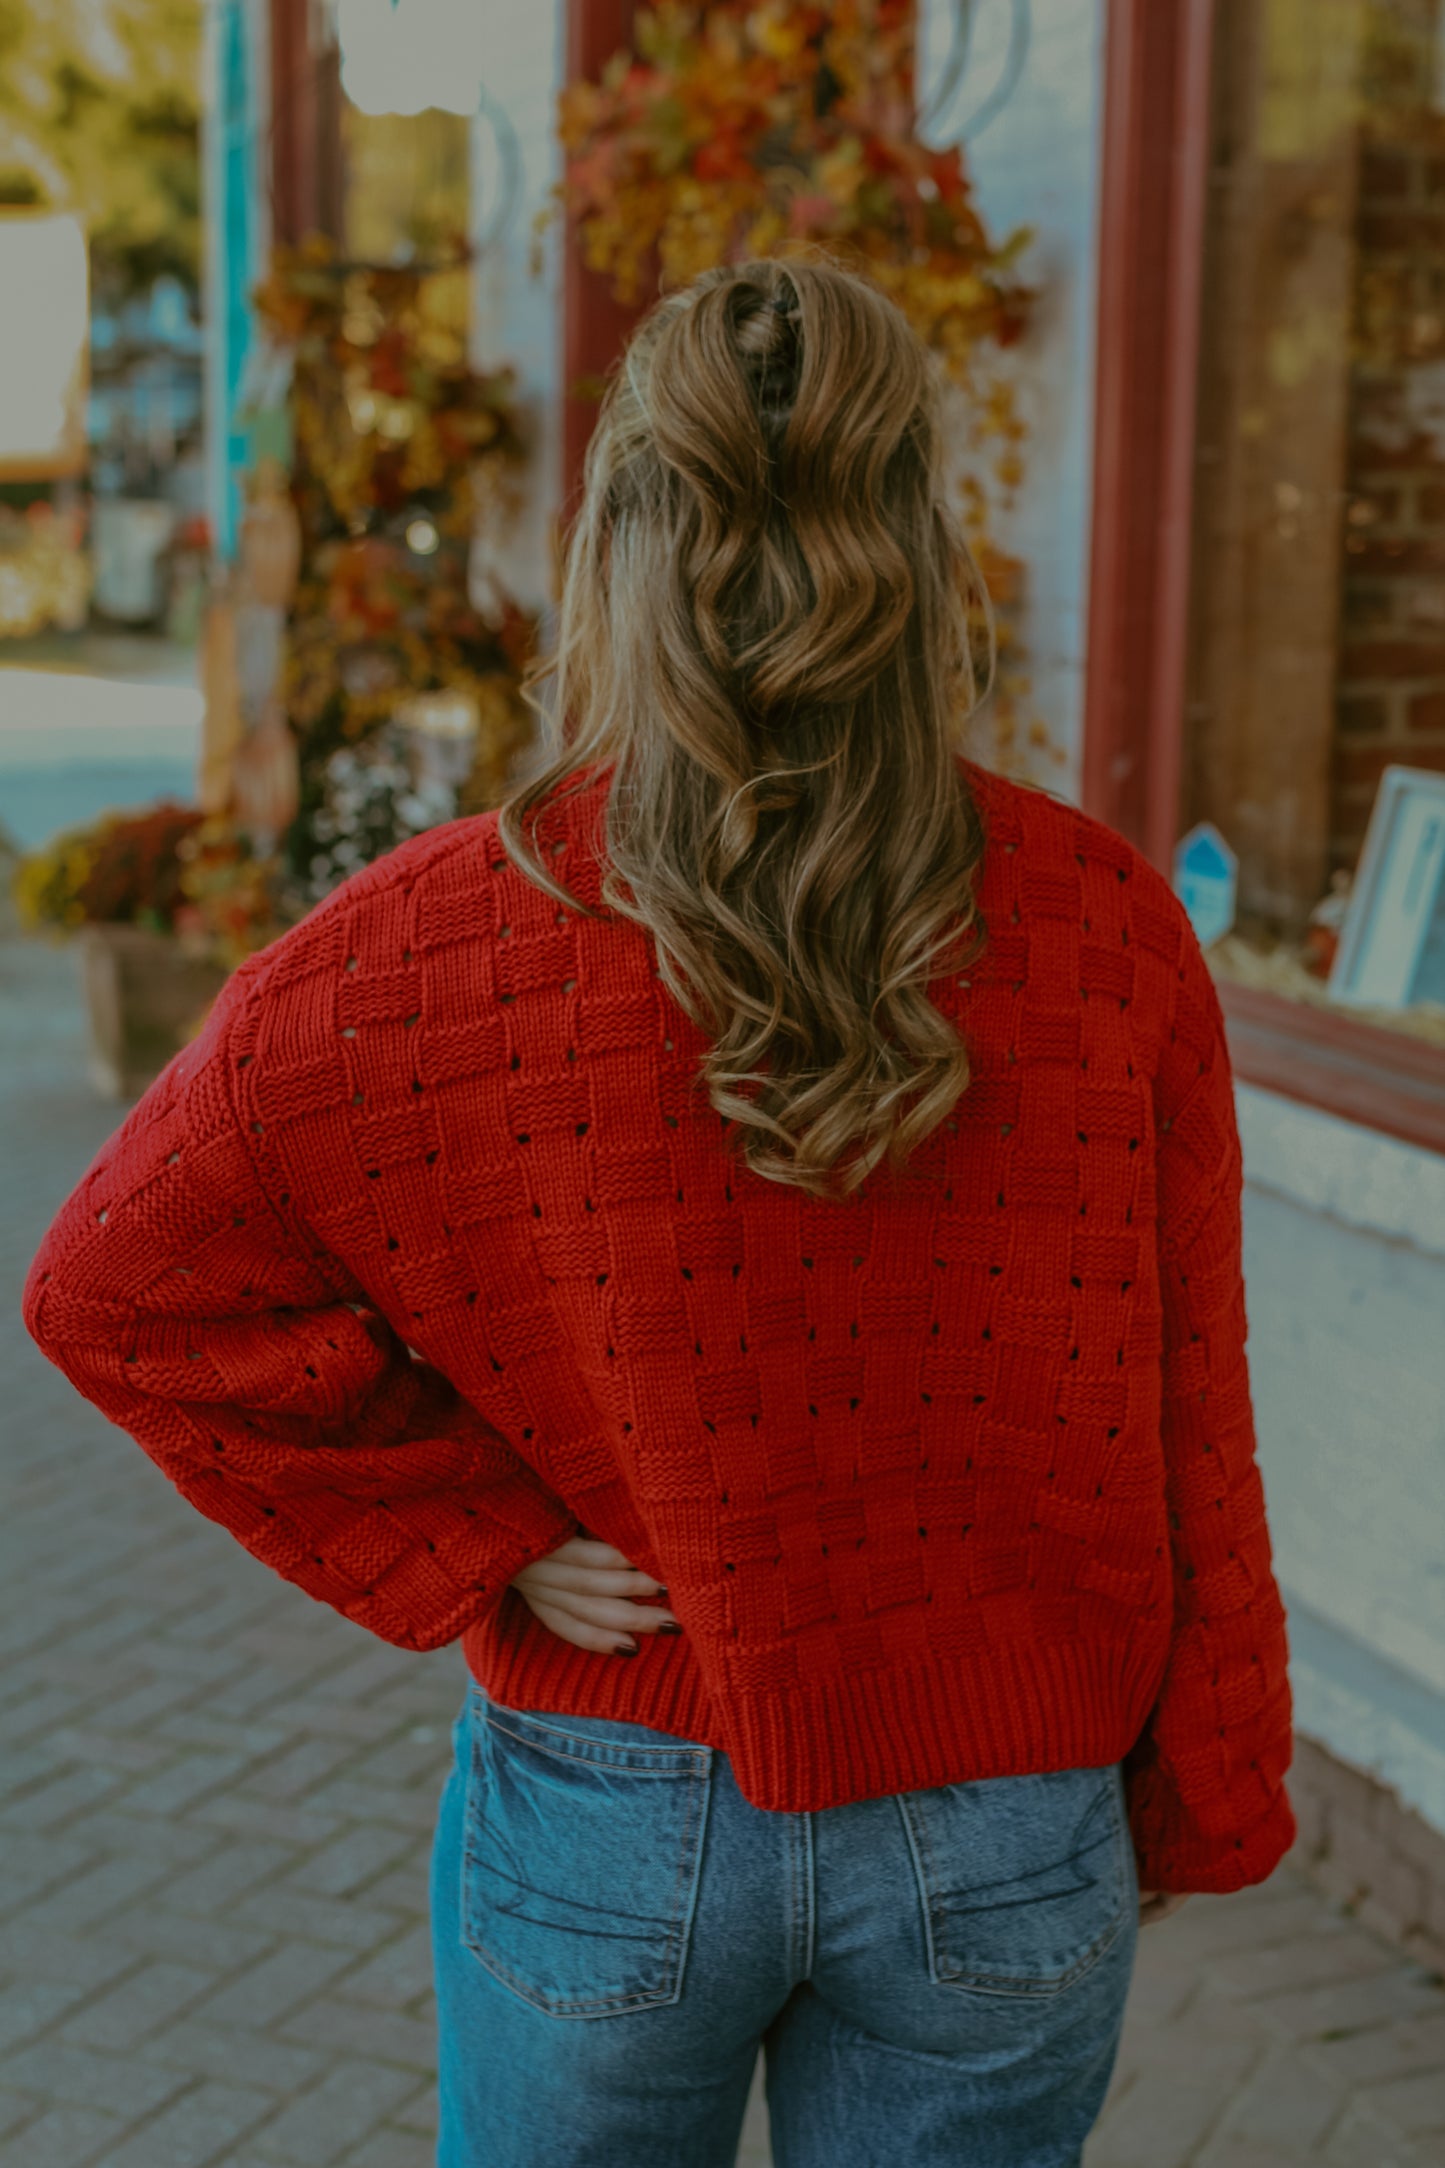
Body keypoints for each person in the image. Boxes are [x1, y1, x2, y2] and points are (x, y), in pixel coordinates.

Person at [23, 256, 1296, 2168]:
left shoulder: (429, 944)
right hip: (1005, 1814)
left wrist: (468, 1533)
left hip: (620, 1802)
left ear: (615, 540)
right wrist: (1204, 1789)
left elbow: (117, 1284)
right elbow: (1194, 1408)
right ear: (919, 549)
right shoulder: (1106, 928)